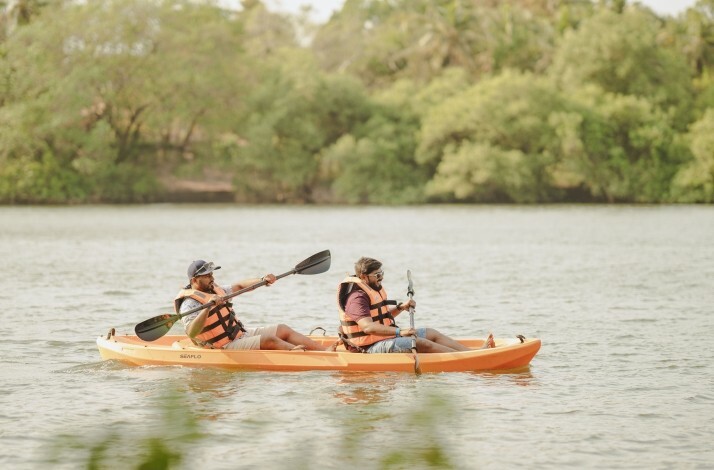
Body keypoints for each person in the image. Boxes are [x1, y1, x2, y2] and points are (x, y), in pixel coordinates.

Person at [337, 257, 495, 353]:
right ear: (363, 276)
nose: (381, 278)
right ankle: (468, 358)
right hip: (368, 347)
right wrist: (401, 332)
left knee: (430, 333)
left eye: (382, 273)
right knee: (420, 342)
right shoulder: (356, 298)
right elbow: (368, 328)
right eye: (377, 275)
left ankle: (470, 353)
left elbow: (381, 319)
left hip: (380, 338)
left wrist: (400, 308)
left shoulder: (370, 288)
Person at [177, 259, 333, 351]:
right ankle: (296, 353)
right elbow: (191, 332)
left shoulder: (214, 289)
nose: (212, 278)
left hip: (238, 335)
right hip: (221, 347)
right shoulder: (189, 303)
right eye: (207, 275)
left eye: (212, 274)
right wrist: (207, 309)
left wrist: (262, 280)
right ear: (194, 280)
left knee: (282, 329)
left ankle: (325, 351)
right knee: (268, 339)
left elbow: (238, 286)